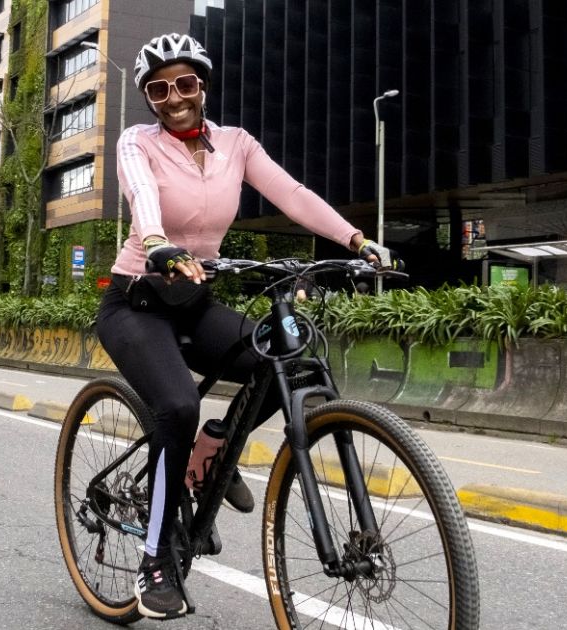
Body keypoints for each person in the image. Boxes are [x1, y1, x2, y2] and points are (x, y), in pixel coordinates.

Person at [98, 33, 399, 619]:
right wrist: (156, 244)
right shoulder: (138, 142)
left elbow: (292, 193)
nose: (173, 97)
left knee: (285, 354)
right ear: (149, 99)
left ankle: (213, 453)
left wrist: (357, 240)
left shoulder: (237, 144)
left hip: (195, 301)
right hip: (137, 302)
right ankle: (155, 559)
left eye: (185, 83)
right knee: (177, 407)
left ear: (203, 87)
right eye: (158, 89)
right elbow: (140, 194)